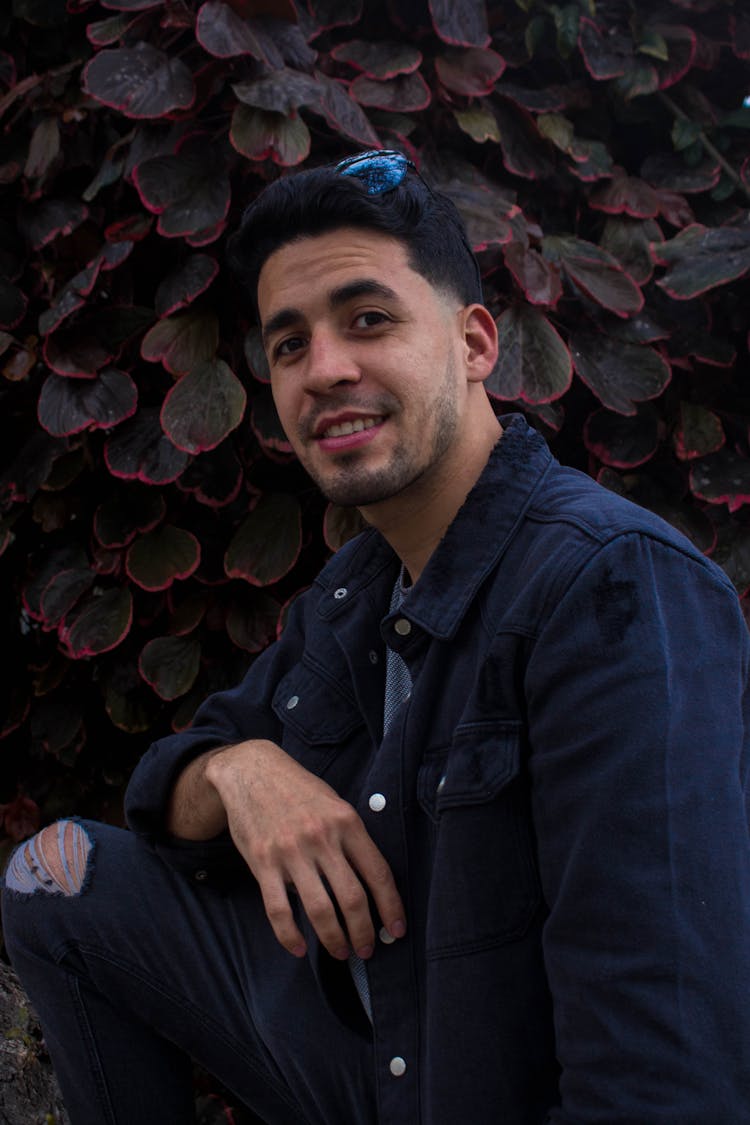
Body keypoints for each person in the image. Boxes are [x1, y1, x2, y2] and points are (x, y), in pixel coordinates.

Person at [2, 149, 750, 1125]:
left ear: (477, 343)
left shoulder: (610, 588)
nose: (326, 370)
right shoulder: (358, 589)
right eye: (288, 345)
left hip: (473, 1091)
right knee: (51, 879)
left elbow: (661, 1074)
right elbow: (168, 792)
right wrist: (240, 773)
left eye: (368, 320)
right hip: (370, 1063)